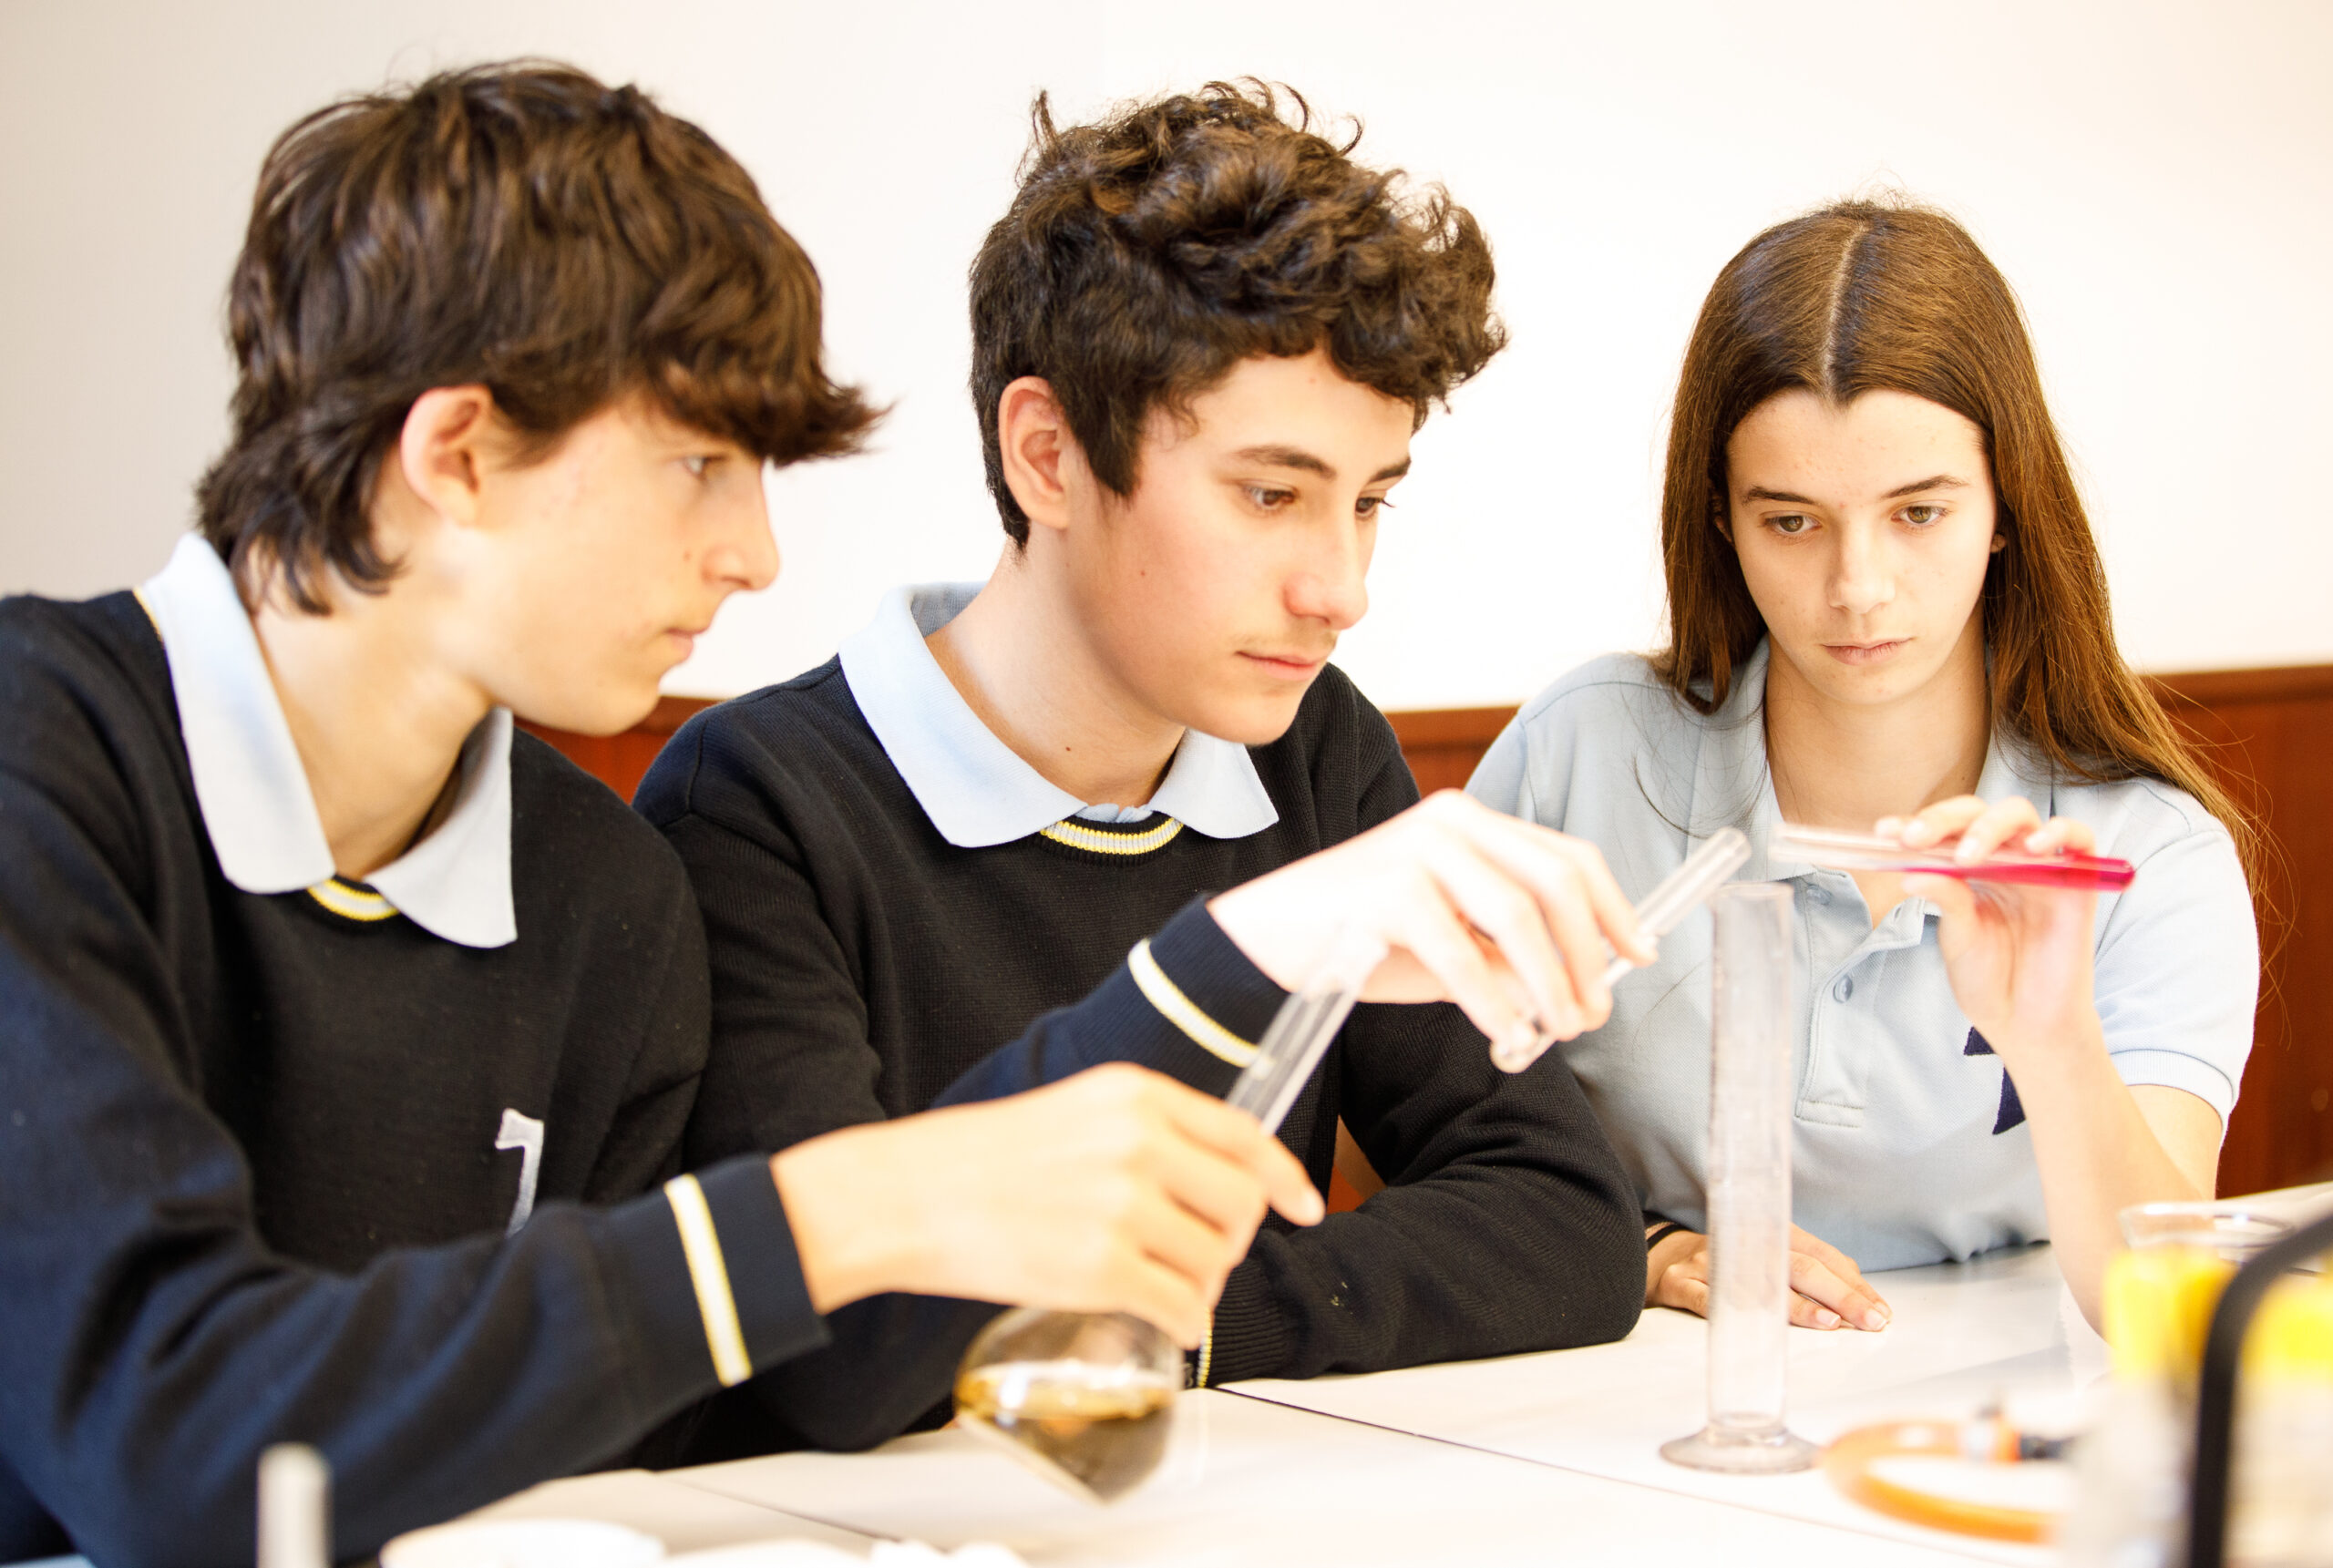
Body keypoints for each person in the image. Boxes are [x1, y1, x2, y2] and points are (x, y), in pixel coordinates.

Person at [0, 65, 1635, 1567]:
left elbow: (672, 1433)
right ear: (460, 453)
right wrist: (857, 1211)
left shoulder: (592, 889)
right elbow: (175, 1434)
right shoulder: (44, 757)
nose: (757, 558)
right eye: (702, 467)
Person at [636, 80, 1650, 1460]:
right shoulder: (754, 807)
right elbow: (831, 1361)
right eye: (1270, 494)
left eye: (1371, 501)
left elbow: (1563, 1222)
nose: (1340, 585)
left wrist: (1147, 1329)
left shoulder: (1313, 751)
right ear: (1048, 456)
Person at [1467, 199, 2257, 1331]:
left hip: (1975, 1440)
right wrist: (1631, 1247)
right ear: (1722, 522)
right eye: (1791, 521)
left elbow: (2157, 1304)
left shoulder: (2147, 852)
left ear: (2003, 509)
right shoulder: (1579, 751)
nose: (1859, 587)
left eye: (1919, 511)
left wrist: (2052, 1035)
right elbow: (1417, 1120)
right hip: (1620, 1415)